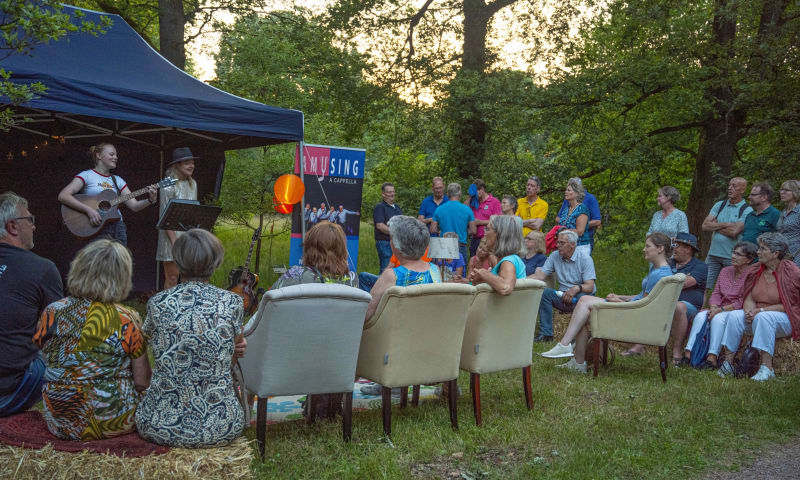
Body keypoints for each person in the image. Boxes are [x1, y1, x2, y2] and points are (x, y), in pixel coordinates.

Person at [136, 229, 247, 447]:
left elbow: (143, 345)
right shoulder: (232, 302)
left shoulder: (157, 303)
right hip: (221, 424)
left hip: (159, 425)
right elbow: (233, 357)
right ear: (215, 262)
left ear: (177, 261)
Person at [34, 240, 150, 440]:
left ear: (78, 269)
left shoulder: (52, 311)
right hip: (110, 420)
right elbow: (142, 382)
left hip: (59, 419)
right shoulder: (127, 317)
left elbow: (43, 354)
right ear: (122, 277)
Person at [249, 221, 356, 418]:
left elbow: (267, 306)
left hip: (294, 353)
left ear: (310, 246)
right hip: (338, 355)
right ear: (342, 247)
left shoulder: (296, 275)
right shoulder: (352, 279)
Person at [540, 233, 674, 371]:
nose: (643, 249)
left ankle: (564, 345)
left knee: (584, 300)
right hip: (634, 310)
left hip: (634, 317)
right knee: (583, 314)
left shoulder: (660, 274)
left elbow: (645, 305)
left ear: (660, 249)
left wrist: (619, 303)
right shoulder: (661, 270)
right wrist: (621, 297)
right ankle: (578, 363)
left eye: (648, 246)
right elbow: (645, 298)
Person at [361, 216, 441, 396]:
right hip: (428, 339)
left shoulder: (391, 276)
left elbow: (366, 315)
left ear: (396, 245)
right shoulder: (434, 271)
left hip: (395, 344)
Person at [0, 192, 63, 417]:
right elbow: (58, 332)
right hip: (10, 391)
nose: (34, 227)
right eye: (30, 220)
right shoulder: (42, 269)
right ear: (13, 226)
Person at [716, 233, 800, 381]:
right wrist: (748, 311)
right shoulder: (756, 270)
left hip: (785, 319)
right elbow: (749, 296)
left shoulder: (791, 272)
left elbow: (791, 305)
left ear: (776, 253)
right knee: (735, 315)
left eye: (763, 249)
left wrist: (760, 311)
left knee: (764, 317)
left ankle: (767, 368)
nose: (758, 252)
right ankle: (727, 363)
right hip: (757, 316)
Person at [58, 142, 157, 245]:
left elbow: (134, 206)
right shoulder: (87, 175)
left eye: (116, 155)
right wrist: (89, 210)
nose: (116, 157)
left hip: (118, 227)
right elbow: (63, 196)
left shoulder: (118, 180)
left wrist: (150, 200)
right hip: (97, 227)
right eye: (111, 154)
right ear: (99, 155)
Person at [681, 241, 758, 369]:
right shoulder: (725, 271)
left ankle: (712, 358)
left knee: (718, 319)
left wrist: (720, 310)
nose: (733, 256)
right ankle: (688, 354)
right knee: (700, 316)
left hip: (735, 310)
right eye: (733, 252)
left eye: (738, 254)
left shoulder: (751, 275)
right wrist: (713, 307)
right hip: (718, 307)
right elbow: (716, 293)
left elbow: (743, 301)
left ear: (749, 260)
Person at [529, 230, 597, 342]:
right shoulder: (555, 256)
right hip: (562, 296)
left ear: (572, 244)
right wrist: (519, 281)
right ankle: (546, 334)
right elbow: (540, 275)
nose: (558, 245)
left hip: (580, 296)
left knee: (583, 298)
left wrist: (575, 288)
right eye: (558, 242)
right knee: (545, 293)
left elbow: (590, 286)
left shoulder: (585, 259)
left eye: (562, 243)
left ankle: (577, 336)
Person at [156, 147, 199, 289]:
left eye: (192, 162)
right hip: (171, 236)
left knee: (188, 276)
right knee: (173, 276)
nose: (191, 166)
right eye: (187, 163)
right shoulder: (168, 185)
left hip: (187, 235)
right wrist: (175, 242)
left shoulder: (193, 184)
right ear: (177, 165)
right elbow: (165, 216)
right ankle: (167, 309)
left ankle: (184, 308)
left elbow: (193, 213)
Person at [702, 177, 753, 291]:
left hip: (732, 257)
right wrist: (725, 224)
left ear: (743, 190)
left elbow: (734, 232)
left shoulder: (747, 209)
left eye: (734, 186)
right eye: (729, 185)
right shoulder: (720, 205)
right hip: (713, 255)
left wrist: (715, 226)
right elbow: (705, 226)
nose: (730, 188)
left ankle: (724, 309)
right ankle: (701, 308)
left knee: (728, 288)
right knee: (704, 286)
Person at [468, 215, 527, 294]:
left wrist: (483, 272)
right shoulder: (510, 259)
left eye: (488, 229)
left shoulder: (509, 261)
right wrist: (482, 279)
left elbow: (506, 287)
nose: (485, 234)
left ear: (499, 234)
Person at [431, 182, 476, 261]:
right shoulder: (467, 209)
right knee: (460, 273)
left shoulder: (439, 209)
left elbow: (432, 229)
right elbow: (473, 230)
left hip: (443, 245)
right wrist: (464, 231)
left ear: (447, 194)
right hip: (460, 245)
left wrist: (440, 231)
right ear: (460, 193)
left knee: (442, 271)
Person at [556, 178, 601, 252]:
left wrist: (578, 225)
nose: (565, 192)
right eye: (566, 190)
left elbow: (596, 222)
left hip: (580, 244)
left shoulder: (582, 207)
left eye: (569, 190)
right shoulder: (567, 207)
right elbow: (558, 219)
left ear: (577, 192)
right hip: (565, 243)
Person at [373, 182, 403, 273]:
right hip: (384, 243)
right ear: (383, 194)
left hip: (397, 245)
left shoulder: (397, 208)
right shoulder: (380, 207)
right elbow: (380, 226)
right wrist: (396, 232)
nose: (392, 194)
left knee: (396, 271)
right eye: (389, 192)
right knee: (386, 270)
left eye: (393, 191)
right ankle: (381, 287)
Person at [467, 179, 502, 257]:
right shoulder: (474, 202)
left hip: (488, 239)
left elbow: (498, 220)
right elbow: (463, 210)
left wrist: (480, 222)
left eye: (476, 191)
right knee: (474, 262)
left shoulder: (494, 202)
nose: (475, 194)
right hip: (475, 239)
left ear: (482, 189)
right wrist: (470, 197)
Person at [777, 180, 800, 266]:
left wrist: (795, 254)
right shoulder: (783, 211)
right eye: (781, 190)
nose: (782, 192)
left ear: (795, 192)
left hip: (797, 255)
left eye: (786, 190)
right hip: (784, 255)